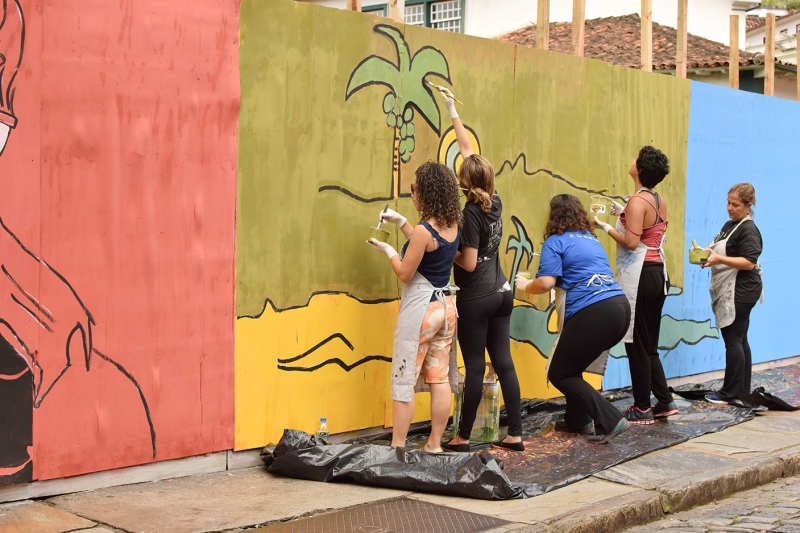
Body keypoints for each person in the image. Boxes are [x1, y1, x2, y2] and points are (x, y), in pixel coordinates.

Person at [433, 90, 523, 453]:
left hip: (477, 297)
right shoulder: (495, 201)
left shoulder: (470, 213)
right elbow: (470, 153)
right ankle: (515, 433)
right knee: (504, 362)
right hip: (502, 292)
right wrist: (454, 110)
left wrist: (444, 247)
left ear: (465, 183)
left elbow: (468, 263)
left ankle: (463, 436)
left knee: (473, 367)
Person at [516, 194, 631, 443]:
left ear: (553, 215)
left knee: (560, 373)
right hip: (619, 308)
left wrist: (525, 285)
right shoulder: (591, 240)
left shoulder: (555, 242)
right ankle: (578, 421)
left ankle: (610, 419)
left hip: (595, 311)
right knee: (572, 366)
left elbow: (546, 282)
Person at [368, 161, 462, 453]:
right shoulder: (451, 225)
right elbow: (427, 246)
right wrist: (401, 222)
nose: (414, 193)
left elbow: (406, 272)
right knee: (439, 377)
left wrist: (389, 250)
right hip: (446, 308)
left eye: (416, 188)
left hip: (421, 309)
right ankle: (434, 444)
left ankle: (398, 447)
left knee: (403, 379)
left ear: (427, 193)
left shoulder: (424, 231)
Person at [594, 146, 678, 424]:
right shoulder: (656, 199)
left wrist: (605, 227)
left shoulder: (637, 202)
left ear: (639, 169)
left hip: (641, 274)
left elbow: (631, 242)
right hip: (658, 273)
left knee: (635, 343)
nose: (631, 161)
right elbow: (649, 230)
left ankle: (642, 407)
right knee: (649, 343)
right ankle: (664, 401)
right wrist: (624, 211)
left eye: (635, 159)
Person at [702, 183, 763, 404]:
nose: (730, 208)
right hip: (734, 289)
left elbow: (748, 262)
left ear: (748, 206)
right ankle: (741, 390)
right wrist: (706, 256)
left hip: (741, 290)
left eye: (735, 205)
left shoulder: (749, 230)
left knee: (733, 339)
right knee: (740, 338)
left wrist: (719, 259)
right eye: (728, 203)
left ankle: (731, 392)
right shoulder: (731, 225)